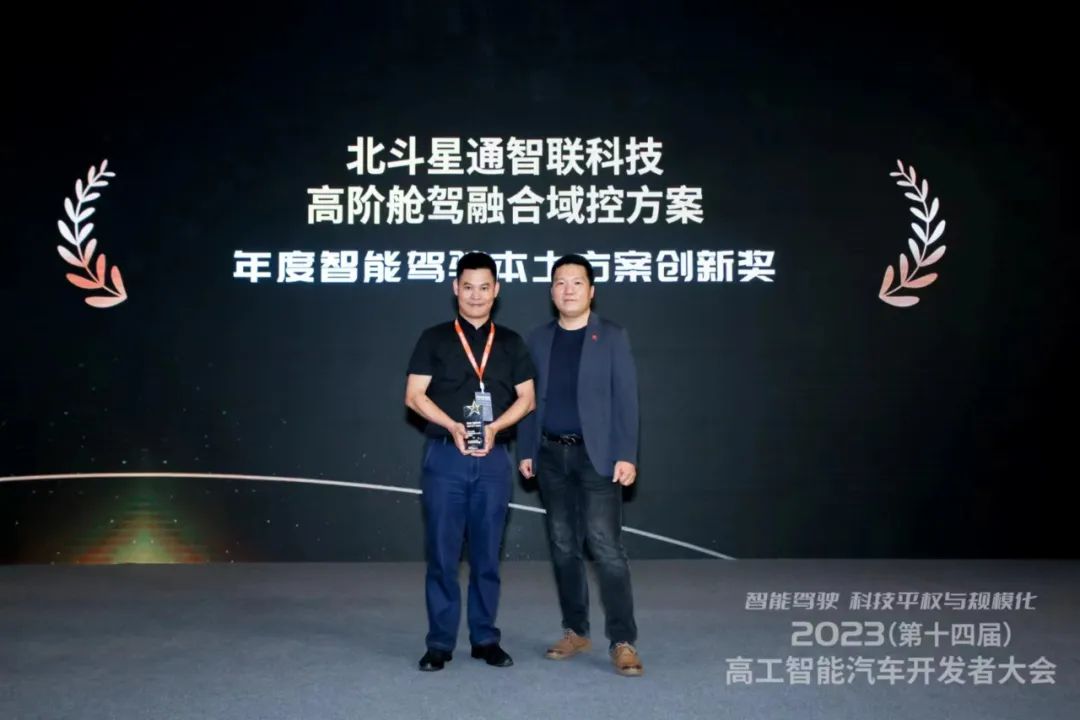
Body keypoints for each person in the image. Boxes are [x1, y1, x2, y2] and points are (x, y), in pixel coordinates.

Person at [404, 251, 536, 672]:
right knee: (443, 556)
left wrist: (495, 427)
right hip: (446, 457)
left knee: (486, 557)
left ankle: (485, 639)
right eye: (467, 287)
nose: (475, 295)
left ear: (496, 291)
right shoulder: (434, 338)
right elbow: (414, 396)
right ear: (455, 289)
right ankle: (439, 643)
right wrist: (452, 425)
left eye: (484, 287)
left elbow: (528, 399)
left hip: (493, 459)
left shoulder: (511, 342)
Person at [517, 253, 644, 677]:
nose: (567, 289)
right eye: (560, 282)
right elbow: (528, 400)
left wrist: (627, 454)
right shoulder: (538, 339)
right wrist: (526, 449)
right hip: (550, 455)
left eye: (576, 282)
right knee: (562, 544)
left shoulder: (611, 336)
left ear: (591, 290)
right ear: (551, 291)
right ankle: (575, 630)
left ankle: (622, 639)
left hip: (598, 456)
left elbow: (626, 399)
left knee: (605, 547)